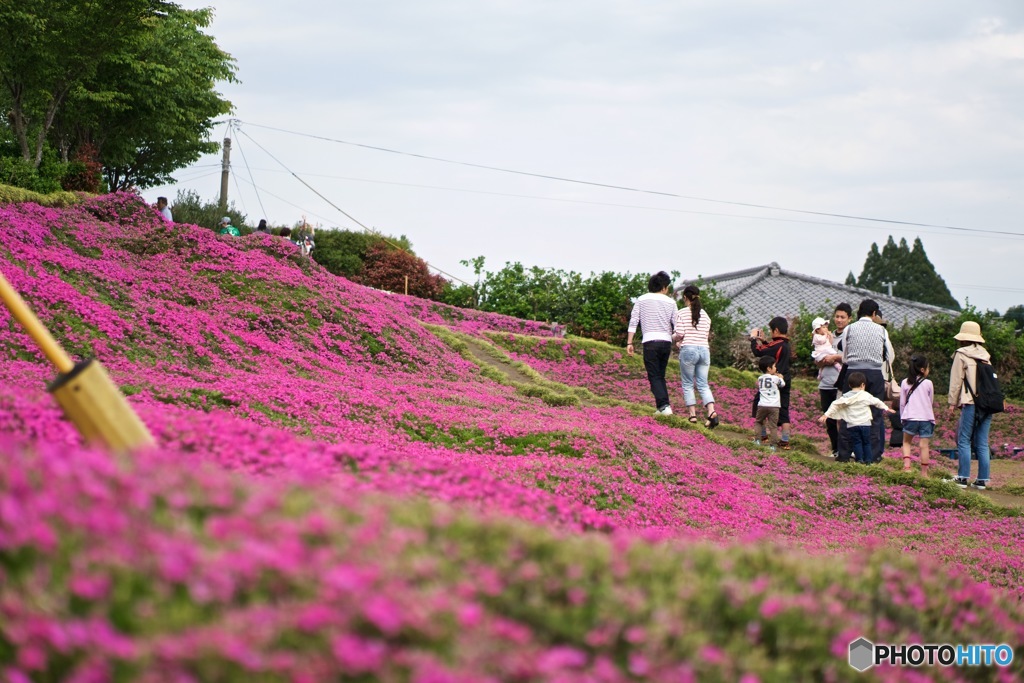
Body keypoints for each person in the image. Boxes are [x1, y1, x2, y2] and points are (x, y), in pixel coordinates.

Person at [837, 299, 892, 463]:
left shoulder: (850, 328)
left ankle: (844, 455)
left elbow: (845, 355)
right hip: (875, 373)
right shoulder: (881, 330)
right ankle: (872, 457)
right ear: (874, 314)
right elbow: (888, 355)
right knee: (874, 415)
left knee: (848, 413)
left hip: (854, 372)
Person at [946, 321, 993, 489]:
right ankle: (982, 480)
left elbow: (956, 381)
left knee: (964, 439)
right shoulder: (985, 355)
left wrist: (952, 402)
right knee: (982, 442)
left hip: (971, 402)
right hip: (987, 404)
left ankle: (962, 477)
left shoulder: (961, 354)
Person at [626, 271, 677, 416]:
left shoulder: (642, 300)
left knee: (654, 375)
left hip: (650, 341)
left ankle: (664, 406)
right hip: (666, 342)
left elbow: (634, 321)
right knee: (660, 375)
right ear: (664, 287)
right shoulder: (671, 302)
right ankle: (662, 407)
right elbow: (677, 325)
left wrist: (629, 342)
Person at [819, 371, 896, 464]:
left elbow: (835, 404)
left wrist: (826, 415)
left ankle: (859, 459)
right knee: (867, 442)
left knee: (857, 443)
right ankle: (868, 460)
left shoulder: (846, 397)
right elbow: (876, 401)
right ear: (863, 385)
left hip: (852, 425)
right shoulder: (865, 395)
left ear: (849, 385)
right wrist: (887, 408)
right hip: (865, 424)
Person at [672, 284, 718, 427]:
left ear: (685, 297)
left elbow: (679, 334)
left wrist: (673, 338)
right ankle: (711, 412)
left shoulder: (682, 313)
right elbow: (703, 335)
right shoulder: (706, 316)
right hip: (704, 350)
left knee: (687, 383)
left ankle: (692, 416)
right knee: (703, 384)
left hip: (689, 351)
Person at [750, 317, 792, 449]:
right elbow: (773, 349)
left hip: (773, 379)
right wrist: (765, 341)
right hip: (785, 378)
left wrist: (753, 339)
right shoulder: (786, 345)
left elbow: (759, 351)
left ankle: (762, 435)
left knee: (759, 404)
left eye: (771, 330)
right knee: (783, 409)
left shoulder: (777, 344)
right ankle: (785, 440)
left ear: (776, 330)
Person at [816, 303, 852, 458]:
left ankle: (846, 450)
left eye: (842, 317)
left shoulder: (850, 335)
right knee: (829, 419)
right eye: (837, 316)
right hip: (826, 383)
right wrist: (824, 360)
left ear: (849, 319)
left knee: (843, 418)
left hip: (842, 383)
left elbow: (851, 358)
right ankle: (836, 449)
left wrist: (836, 357)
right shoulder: (825, 336)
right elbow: (816, 361)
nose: (839, 320)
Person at [900, 354, 934, 475]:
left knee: (906, 442)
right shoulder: (929, 383)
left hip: (910, 417)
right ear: (922, 370)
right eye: (928, 368)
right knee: (924, 446)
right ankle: (924, 473)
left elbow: (902, 403)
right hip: (926, 418)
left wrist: (902, 417)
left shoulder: (904, 382)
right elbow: (930, 402)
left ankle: (907, 467)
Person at [754, 356, 784, 448]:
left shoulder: (760, 378)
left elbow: (758, 386)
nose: (776, 368)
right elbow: (782, 385)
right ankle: (773, 445)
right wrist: (781, 377)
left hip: (762, 405)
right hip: (774, 406)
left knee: (758, 422)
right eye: (774, 366)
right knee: (773, 426)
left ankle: (757, 441)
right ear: (769, 368)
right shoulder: (776, 378)